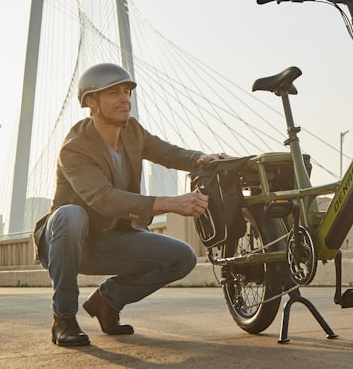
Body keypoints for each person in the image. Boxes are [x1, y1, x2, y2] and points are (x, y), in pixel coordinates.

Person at [33, 63, 226, 346]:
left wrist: (202, 158)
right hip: (71, 244)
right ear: (90, 101)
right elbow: (104, 198)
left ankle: (107, 301)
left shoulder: (132, 131)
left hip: (111, 240)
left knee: (182, 257)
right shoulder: (74, 148)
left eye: (127, 91)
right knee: (71, 216)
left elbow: (169, 153)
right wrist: (172, 203)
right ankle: (63, 318)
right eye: (113, 92)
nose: (125, 98)